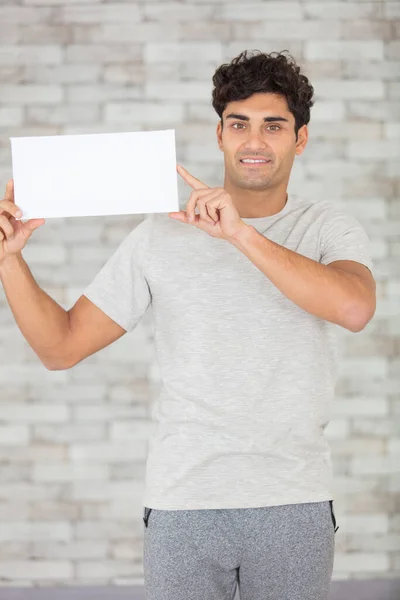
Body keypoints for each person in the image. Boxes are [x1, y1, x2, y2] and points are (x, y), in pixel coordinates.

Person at [0, 50, 376, 600]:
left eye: (274, 126)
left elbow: (354, 308)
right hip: (184, 505)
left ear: (300, 139)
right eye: (239, 124)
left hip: (292, 501)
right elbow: (60, 347)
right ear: (219, 134)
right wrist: (9, 260)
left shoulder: (327, 227)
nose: (254, 141)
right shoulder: (162, 236)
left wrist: (239, 234)